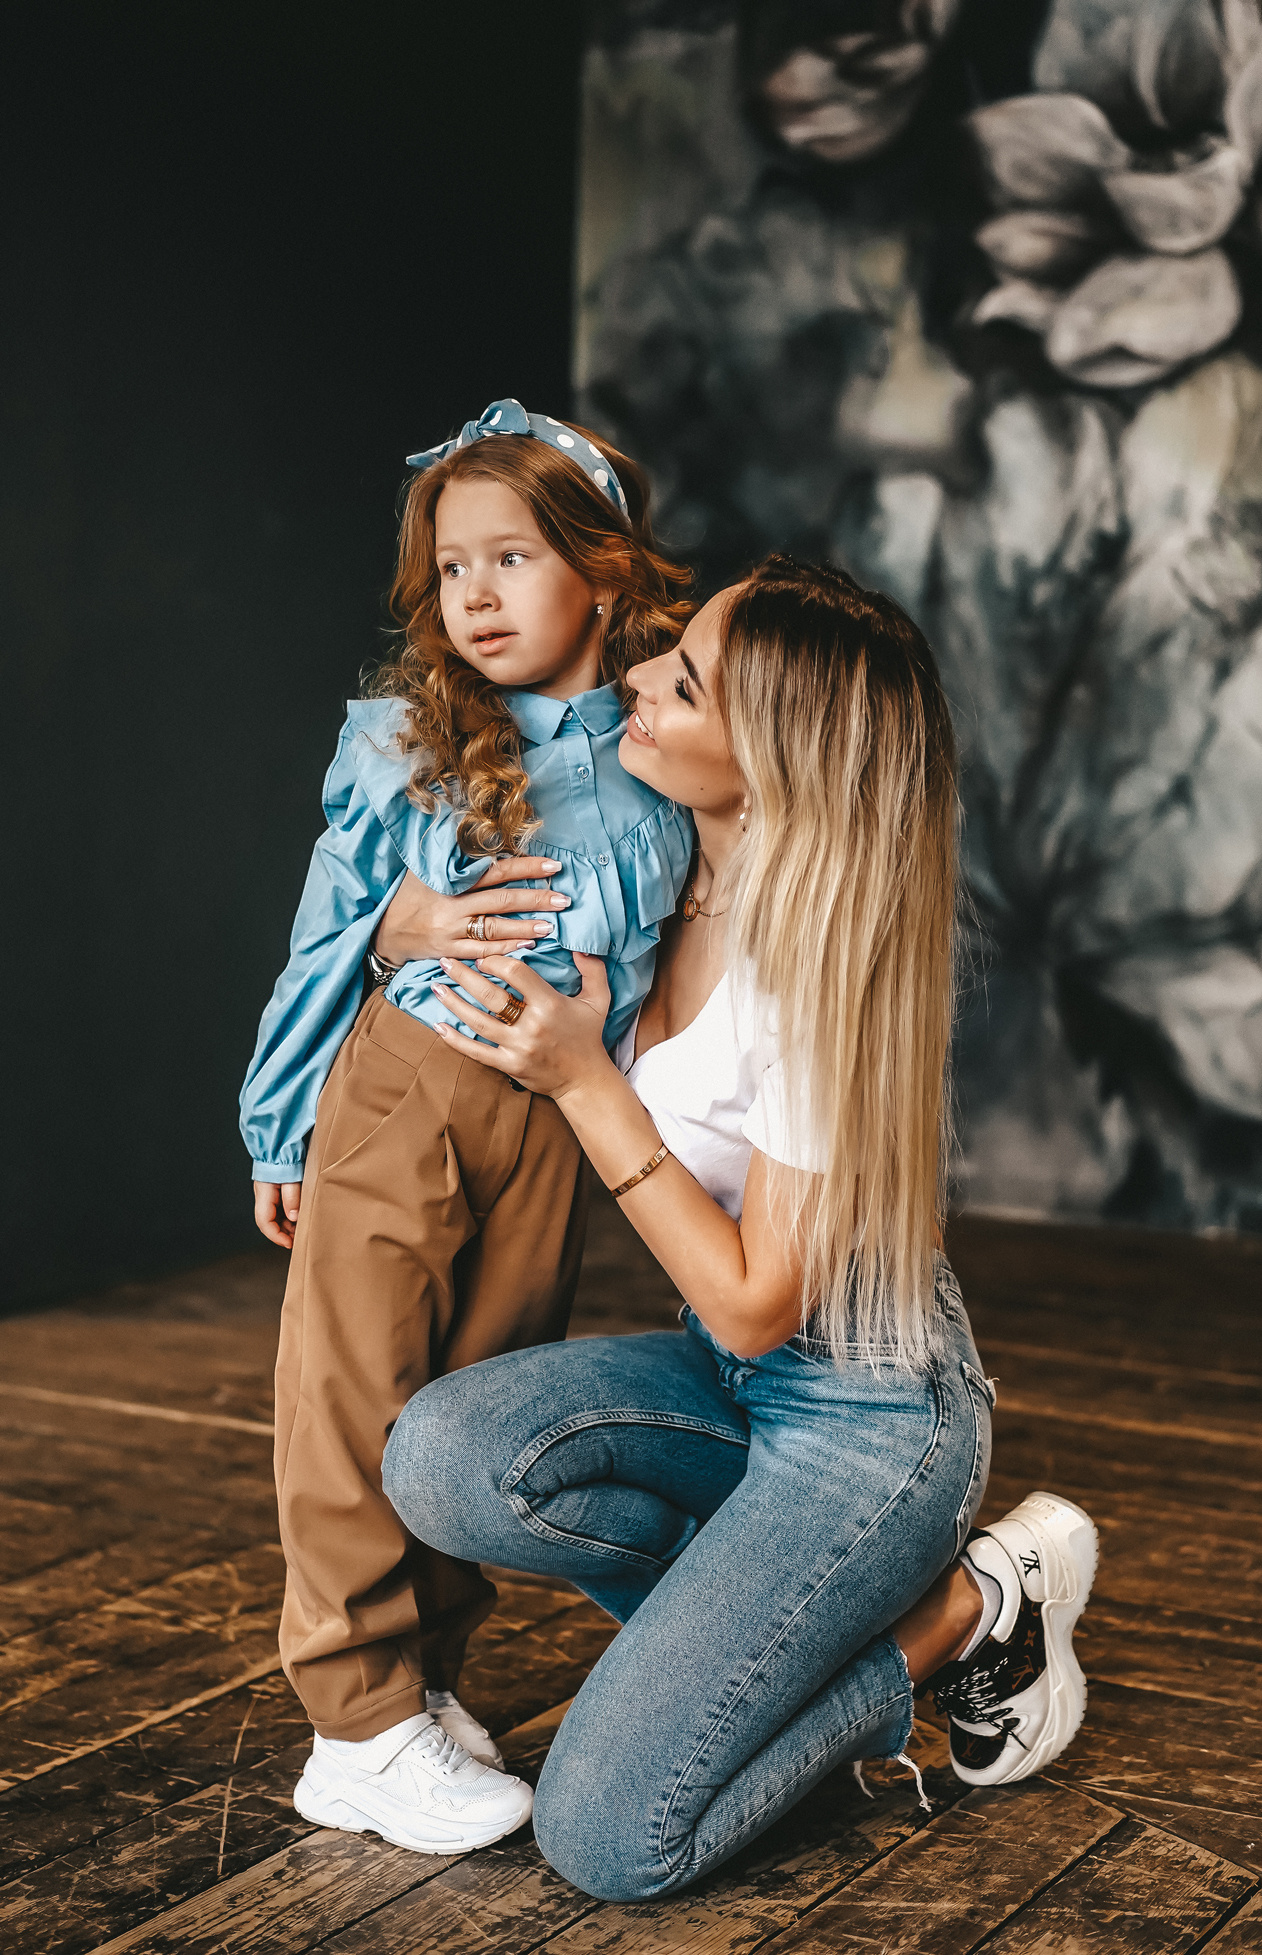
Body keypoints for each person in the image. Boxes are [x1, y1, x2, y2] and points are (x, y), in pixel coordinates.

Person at [381, 554, 1099, 1899]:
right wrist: (401, 924)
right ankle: (800, 1638)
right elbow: (431, 875)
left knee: (606, 1839)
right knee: (446, 1456)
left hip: (870, 1418)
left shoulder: (812, 971)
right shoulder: (662, 871)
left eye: (684, 682)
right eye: (665, 657)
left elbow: (759, 1302)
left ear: (769, 754)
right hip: (733, 1387)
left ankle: (960, 1611)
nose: (638, 679)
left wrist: (586, 1081)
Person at [238, 400, 694, 1851]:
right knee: (352, 1392)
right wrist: (283, 1118)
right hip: (409, 1088)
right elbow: (326, 932)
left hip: (555, 1115)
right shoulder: (407, 738)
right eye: (451, 569)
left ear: (604, 573)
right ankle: (353, 1718)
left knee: (465, 1407)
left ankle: (426, 1687)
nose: (476, 595)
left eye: (512, 558)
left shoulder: (668, 741)